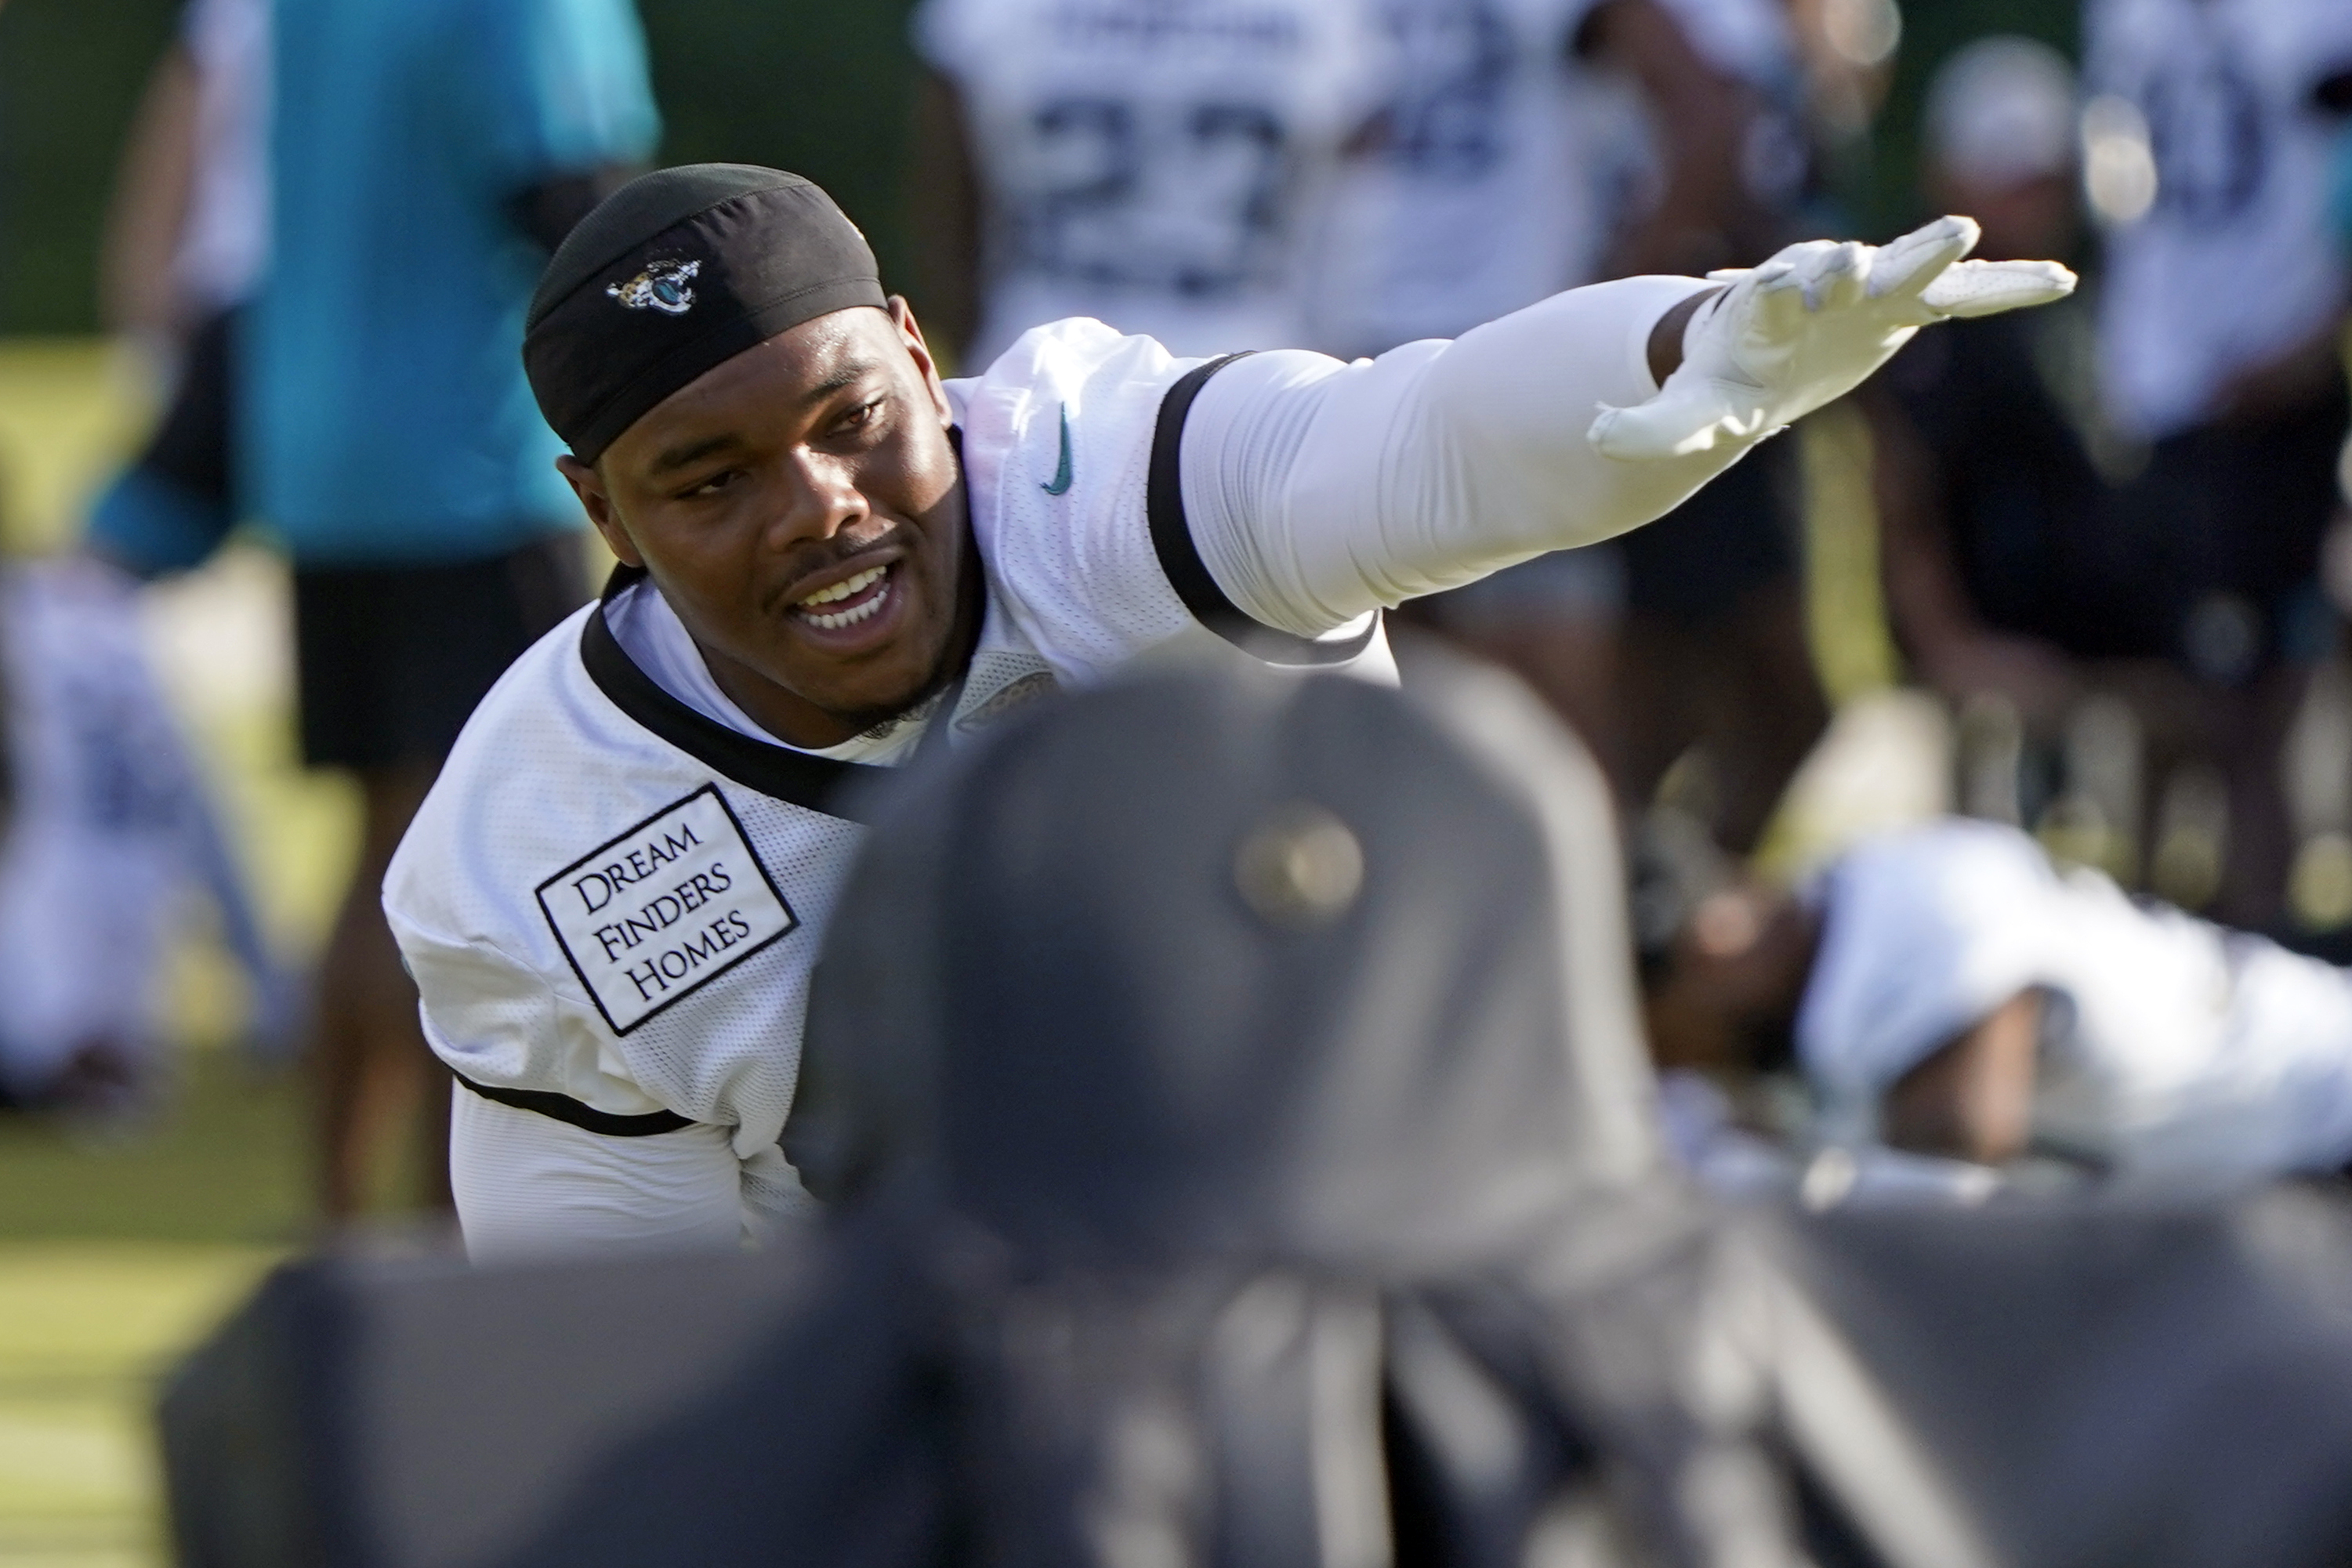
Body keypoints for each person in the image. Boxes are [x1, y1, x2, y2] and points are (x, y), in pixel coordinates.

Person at [381, 159, 2070, 1256]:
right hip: (961, 1373)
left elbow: (1407, 443)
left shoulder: (1095, 476)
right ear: (603, 515)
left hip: (1386, 1215)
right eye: (710, 479)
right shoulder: (541, 838)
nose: (818, 504)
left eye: (849, 419)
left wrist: (1693, 348)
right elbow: (629, 1343)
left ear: (920, 353)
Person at [88, 0, 661, 1220]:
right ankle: (443, 1229)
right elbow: (569, 197)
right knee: (482, 860)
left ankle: (344, 1228)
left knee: (380, 849)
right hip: (461, 462)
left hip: (322, 449)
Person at [1354, 0, 1827, 855]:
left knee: (1546, 751)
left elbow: (1707, 112)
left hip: (1462, 358)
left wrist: (1613, 296)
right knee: (1389, 739)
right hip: (1361, 367)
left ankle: (1607, 967)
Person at [1640, 815, 2352, 1189]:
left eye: (1646, 1027)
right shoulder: (1839, 928)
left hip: (2321, 1110)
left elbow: (1957, 1160)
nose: (1658, 1060)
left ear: (1712, 942)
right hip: (2248, 1183)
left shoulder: (1918, 902)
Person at [2071, 0, 2352, 924]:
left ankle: (2262, 945)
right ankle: (2160, 950)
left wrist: (2316, 344)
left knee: (2257, 710)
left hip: (2272, 389)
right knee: (2165, 700)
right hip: (2158, 393)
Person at [903, 0, 1383, 366]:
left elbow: (949, 214)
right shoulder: (1331, 17)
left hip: (1039, 357)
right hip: (1259, 364)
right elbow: (1364, 220)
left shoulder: (998, 14)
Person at [0, 557, 288, 1114]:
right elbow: (204, 819)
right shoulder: (110, 621)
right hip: (138, 895)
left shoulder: (32, 624)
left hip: (65, 903)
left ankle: (65, 1068)